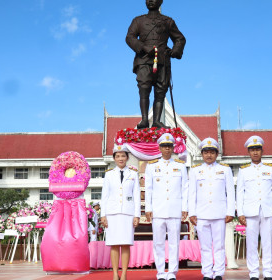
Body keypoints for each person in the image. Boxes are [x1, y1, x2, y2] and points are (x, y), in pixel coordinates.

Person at [126, 0, 186, 129]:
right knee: (144, 88)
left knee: (160, 91)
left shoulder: (167, 21)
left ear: (161, 2)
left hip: (162, 60)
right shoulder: (138, 21)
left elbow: (180, 38)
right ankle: (144, 120)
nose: (150, 1)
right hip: (144, 60)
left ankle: (157, 121)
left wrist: (175, 51)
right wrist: (143, 47)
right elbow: (129, 37)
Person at [188, 137, 235, 280]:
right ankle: (207, 273)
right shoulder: (195, 170)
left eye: (212, 152)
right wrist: (192, 213)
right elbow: (192, 193)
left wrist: (230, 211)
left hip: (219, 213)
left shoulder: (225, 170)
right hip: (201, 214)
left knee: (220, 245)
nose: (209, 155)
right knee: (205, 246)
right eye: (206, 152)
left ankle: (219, 272)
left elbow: (230, 192)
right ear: (202, 154)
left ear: (217, 154)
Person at [236, 136, 272, 280]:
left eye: (257, 150)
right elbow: (239, 193)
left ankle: (268, 273)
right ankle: (254, 274)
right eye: (252, 150)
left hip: (268, 211)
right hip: (250, 212)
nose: (255, 153)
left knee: (268, 243)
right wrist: (240, 212)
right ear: (248, 152)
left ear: (262, 151)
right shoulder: (243, 171)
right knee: (251, 244)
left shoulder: (270, 169)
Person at [144, 133, 188, 280]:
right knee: (158, 243)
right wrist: (148, 209)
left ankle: (172, 273)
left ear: (173, 148)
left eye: (169, 146)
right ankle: (161, 273)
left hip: (175, 210)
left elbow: (185, 188)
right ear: (160, 148)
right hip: (158, 210)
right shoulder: (152, 166)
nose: (167, 149)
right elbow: (148, 189)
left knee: (174, 243)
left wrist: (184, 208)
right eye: (164, 146)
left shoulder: (180, 166)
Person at [100, 144, 141, 280]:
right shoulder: (109, 174)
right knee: (114, 244)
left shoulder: (133, 174)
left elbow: (136, 195)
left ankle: (123, 273)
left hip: (128, 213)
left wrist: (137, 215)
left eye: (123, 156)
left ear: (127, 158)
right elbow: (104, 196)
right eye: (117, 156)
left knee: (125, 243)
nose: (120, 158)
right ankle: (114, 274)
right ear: (114, 159)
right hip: (112, 213)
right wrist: (103, 215)